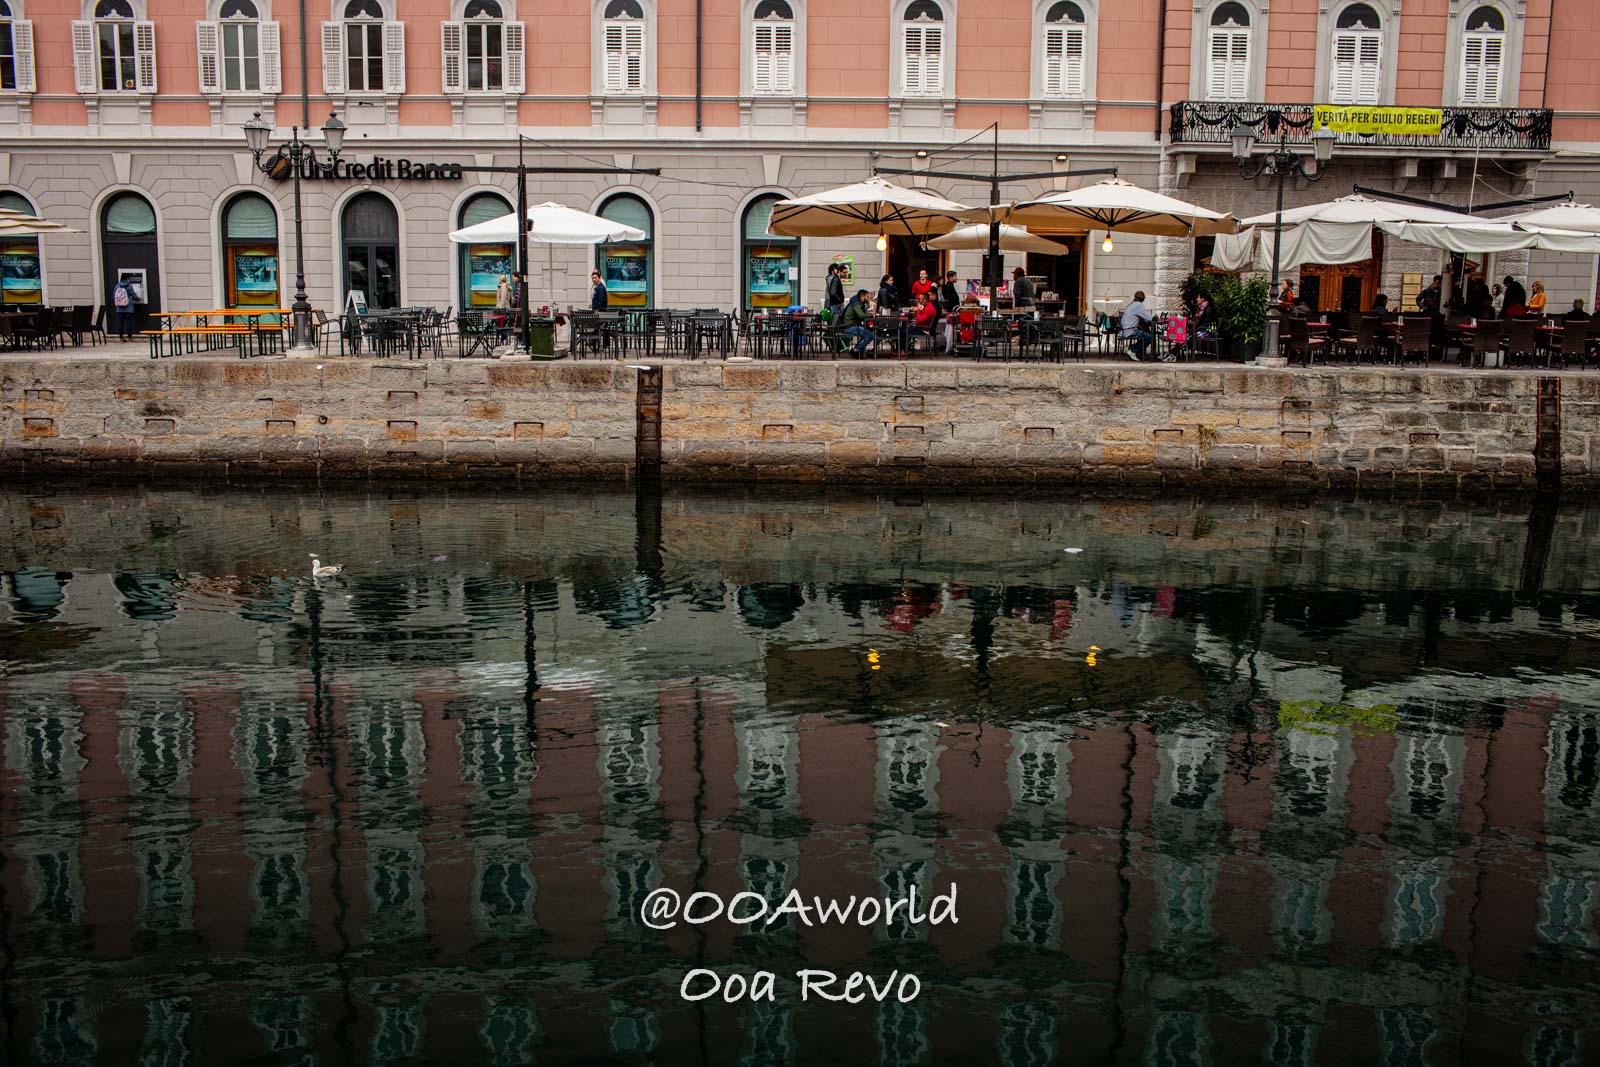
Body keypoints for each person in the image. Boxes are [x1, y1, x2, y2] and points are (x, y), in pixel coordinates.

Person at [1120, 290, 1153, 361]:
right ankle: (1132, 350)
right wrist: (1155, 318)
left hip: (1124, 330)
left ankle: (1136, 352)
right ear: (1143, 299)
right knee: (1150, 337)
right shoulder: (1138, 305)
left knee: (1144, 335)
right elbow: (1148, 318)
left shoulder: (1132, 304)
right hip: (1130, 330)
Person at [840, 289, 874, 354]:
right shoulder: (857, 304)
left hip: (850, 325)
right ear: (862, 296)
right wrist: (872, 314)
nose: (868, 298)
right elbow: (861, 315)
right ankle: (856, 350)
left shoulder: (857, 302)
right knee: (870, 335)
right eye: (867, 296)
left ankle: (860, 350)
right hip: (849, 326)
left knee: (868, 332)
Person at [939, 269, 961, 352]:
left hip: (952, 310)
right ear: (950, 277)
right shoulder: (948, 287)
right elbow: (949, 300)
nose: (956, 278)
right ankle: (949, 344)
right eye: (955, 276)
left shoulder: (950, 286)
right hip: (951, 310)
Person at [111, 275, 137, 340]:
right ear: (127, 278)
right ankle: (129, 337)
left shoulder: (117, 286)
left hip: (119, 308)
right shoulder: (130, 286)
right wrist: (137, 298)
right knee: (129, 323)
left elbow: (114, 297)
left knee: (120, 323)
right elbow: (134, 296)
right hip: (129, 308)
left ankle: (121, 337)